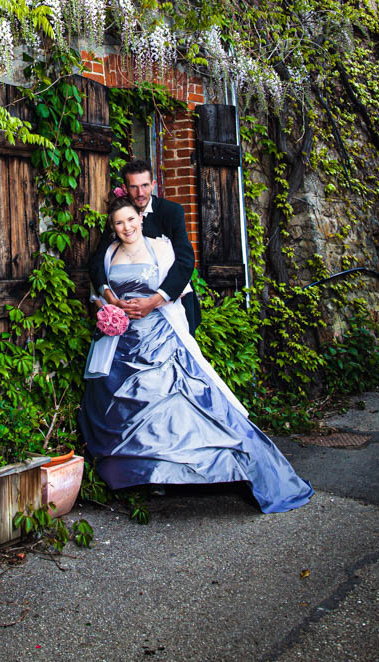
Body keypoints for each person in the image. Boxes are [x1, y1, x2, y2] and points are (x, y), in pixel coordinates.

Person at [79, 197, 314, 514]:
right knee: (124, 409)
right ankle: (148, 476)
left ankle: (205, 469)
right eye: (119, 223)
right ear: (112, 227)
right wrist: (109, 311)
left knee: (177, 404)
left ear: (140, 218)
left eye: (131, 220)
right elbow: (98, 294)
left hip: (160, 336)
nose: (126, 227)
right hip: (121, 343)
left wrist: (161, 309)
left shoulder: (160, 248)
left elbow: (181, 287)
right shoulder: (107, 256)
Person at [88, 159, 201, 334]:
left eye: (145, 185)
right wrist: (112, 300)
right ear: (125, 189)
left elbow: (185, 261)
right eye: (133, 187)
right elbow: (97, 261)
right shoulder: (119, 216)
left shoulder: (172, 212)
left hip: (171, 305)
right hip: (127, 317)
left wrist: (154, 301)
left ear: (153, 185)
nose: (140, 193)